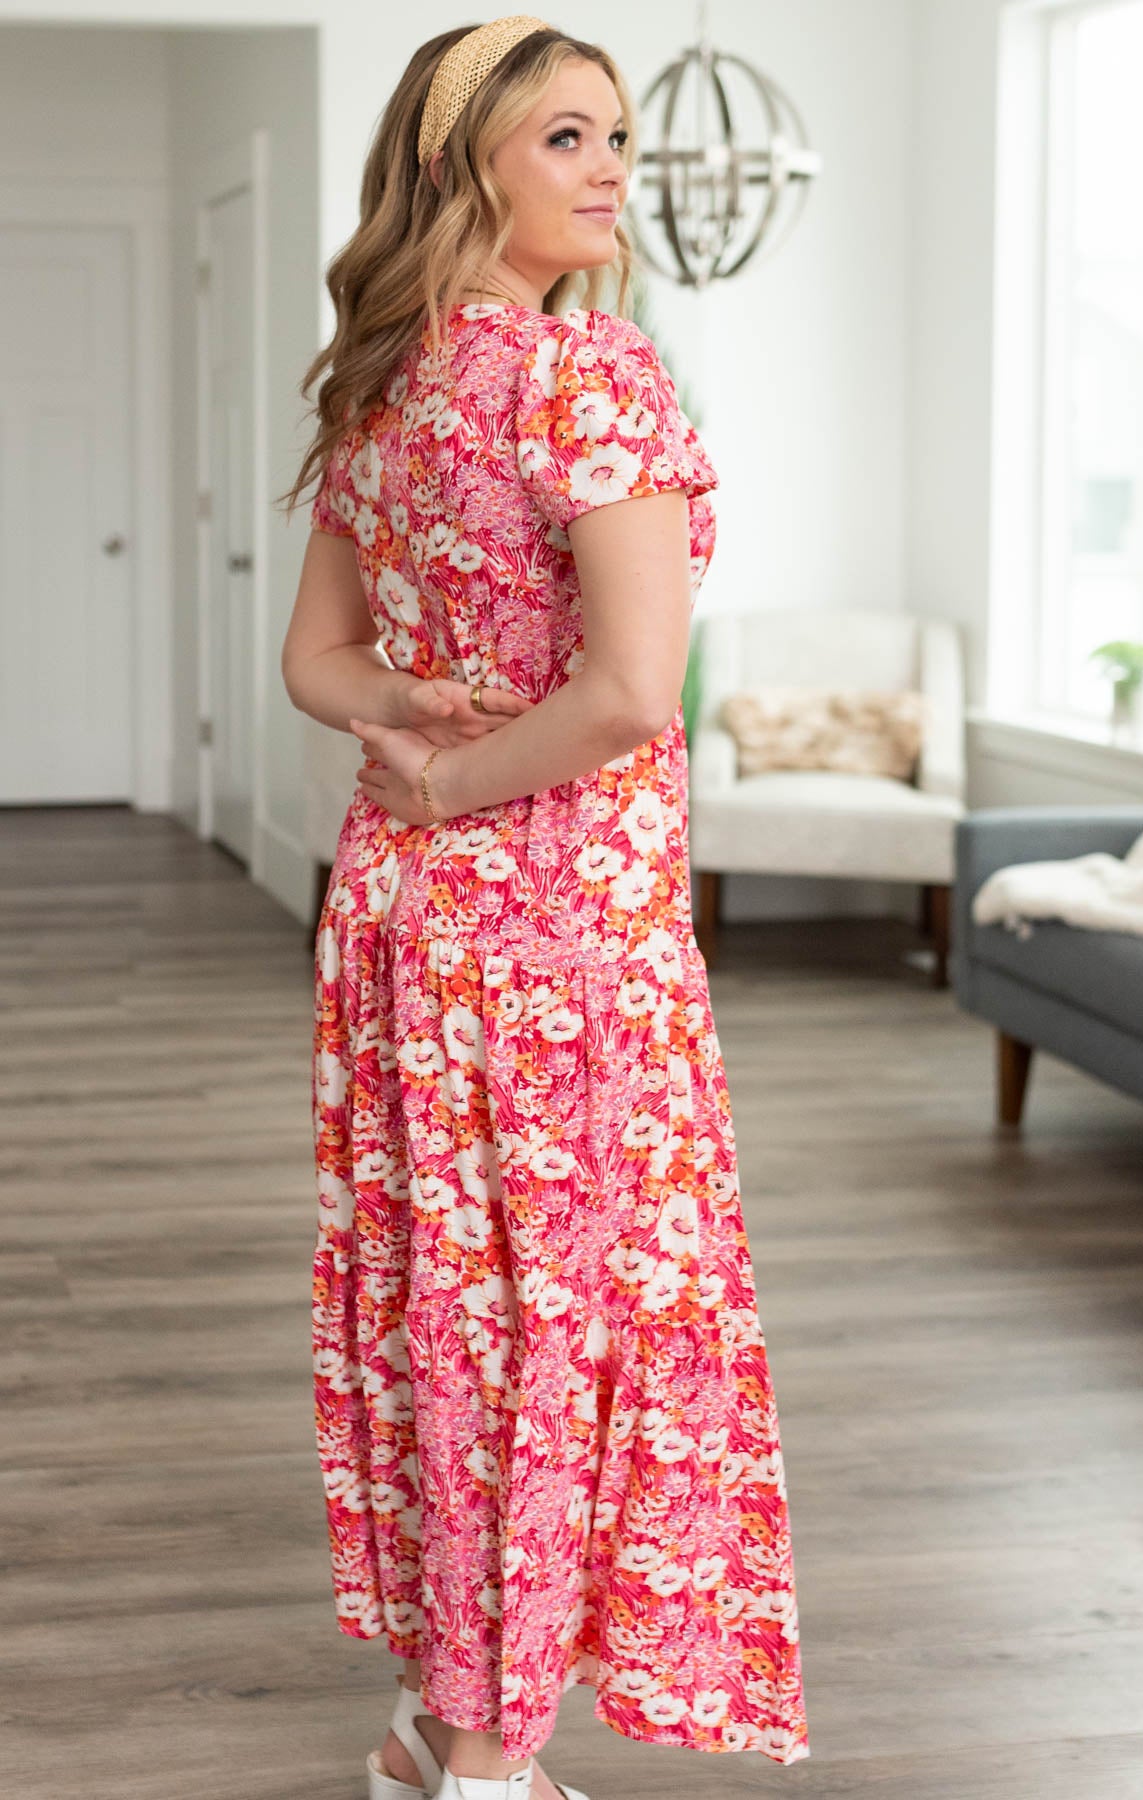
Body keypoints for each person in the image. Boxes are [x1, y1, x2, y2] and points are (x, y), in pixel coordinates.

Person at [280, 16, 810, 1800]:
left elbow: (316, 665)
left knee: (451, 1306)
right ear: (465, 166)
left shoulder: (383, 384)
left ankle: (441, 1732)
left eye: (616, 138)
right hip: (560, 932)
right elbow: (628, 700)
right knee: (565, 1319)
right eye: (565, 136)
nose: (607, 169)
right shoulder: (592, 381)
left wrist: (403, 729)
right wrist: (441, 768)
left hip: (407, 921)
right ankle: (496, 1770)